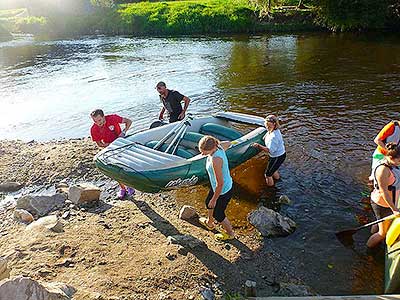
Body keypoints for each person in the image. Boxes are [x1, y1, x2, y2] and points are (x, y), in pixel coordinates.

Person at [90, 109, 135, 199]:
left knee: (125, 166)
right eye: (95, 121)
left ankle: (130, 186)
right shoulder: (94, 129)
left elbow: (129, 121)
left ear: (103, 116)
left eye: (99, 120)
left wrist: (123, 132)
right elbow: (99, 144)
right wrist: (109, 144)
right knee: (115, 169)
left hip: (122, 143)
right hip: (110, 148)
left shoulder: (113, 118)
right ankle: (122, 188)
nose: (98, 123)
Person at [198, 136, 235, 241]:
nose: (202, 154)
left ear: (212, 148)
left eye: (204, 152)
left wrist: (214, 199)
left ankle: (230, 234)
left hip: (223, 190)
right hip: (216, 187)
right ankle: (210, 223)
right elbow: (228, 142)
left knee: (218, 214)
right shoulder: (219, 146)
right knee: (207, 203)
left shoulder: (216, 160)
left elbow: (220, 183)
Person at [367, 143, 400, 248]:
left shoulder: (392, 164)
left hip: (388, 202)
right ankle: (368, 251)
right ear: (390, 157)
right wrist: (394, 209)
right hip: (382, 204)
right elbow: (384, 192)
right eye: (399, 160)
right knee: (382, 234)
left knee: (378, 221)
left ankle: (372, 233)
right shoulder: (383, 170)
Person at [252, 114, 286, 187]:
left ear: (274, 124)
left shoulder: (274, 137)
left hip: (277, 156)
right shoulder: (274, 129)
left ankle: (271, 189)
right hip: (278, 155)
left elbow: (270, 151)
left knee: (267, 174)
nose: (267, 127)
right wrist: (265, 136)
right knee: (273, 170)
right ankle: (278, 181)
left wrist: (258, 146)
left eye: (269, 126)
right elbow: (269, 132)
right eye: (266, 125)